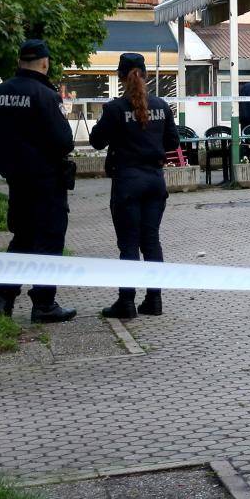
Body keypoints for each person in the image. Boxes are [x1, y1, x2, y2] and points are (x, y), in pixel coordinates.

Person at [0, 39, 78, 322]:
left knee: (20, 240)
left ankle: (4, 301)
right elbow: (63, 142)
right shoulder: (46, 95)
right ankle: (44, 304)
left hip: (18, 182)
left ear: (20, 61)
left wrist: (8, 169)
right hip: (47, 183)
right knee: (49, 242)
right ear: (45, 63)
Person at [89, 53, 178, 319]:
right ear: (146, 75)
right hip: (154, 182)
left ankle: (126, 302)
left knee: (128, 244)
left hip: (127, 183)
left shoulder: (115, 109)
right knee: (151, 241)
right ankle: (154, 299)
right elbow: (172, 143)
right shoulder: (162, 106)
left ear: (119, 76)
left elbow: (96, 141)